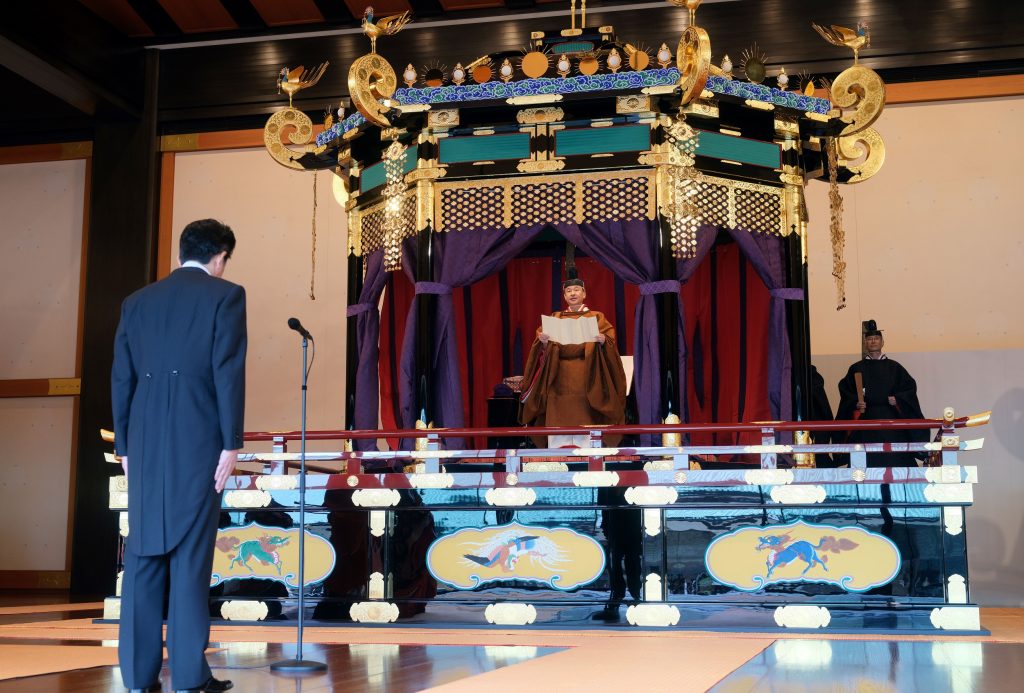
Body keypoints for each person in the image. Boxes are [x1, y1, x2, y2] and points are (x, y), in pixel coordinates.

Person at [112, 219, 246, 693]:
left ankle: (136, 677)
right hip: (198, 443)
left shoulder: (137, 302)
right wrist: (232, 442)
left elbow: (121, 379)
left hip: (144, 446)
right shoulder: (225, 296)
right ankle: (189, 677)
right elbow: (226, 372)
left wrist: (124, 446)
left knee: (144, 558)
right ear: (220, 257)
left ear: (181, 252)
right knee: (190, 559)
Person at [519, 277, 626, 447]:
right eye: (568, 291)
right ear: (564, 296)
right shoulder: (556, 317)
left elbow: (610, 341)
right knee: (557, 425)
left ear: (584, 293)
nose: (573, 293)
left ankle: (588, 459)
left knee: (586, 423)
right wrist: (544, 342)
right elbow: (540, 347)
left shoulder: (596, 317)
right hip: (558, 376)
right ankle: (557, 460)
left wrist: (603, 340)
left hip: (588, 377)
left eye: (576, 289)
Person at [834, 323, 927, 467]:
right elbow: (846, 391)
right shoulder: (856, 368)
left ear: (882, 342)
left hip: (891, 422)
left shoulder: (895, 367)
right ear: (865, 343)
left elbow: (909, 389)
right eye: (869, 339)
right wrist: (855, 403)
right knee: (863, 465)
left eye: (876, 338)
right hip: (865, 421)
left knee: (896, 462)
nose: (873, 341)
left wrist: (897, 400)